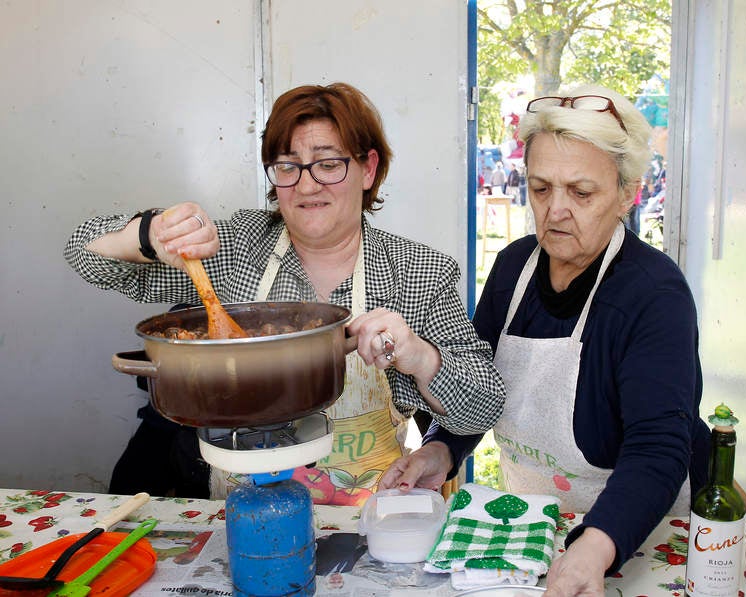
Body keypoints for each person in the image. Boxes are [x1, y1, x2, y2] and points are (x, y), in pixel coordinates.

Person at [64, 82, 505, 505]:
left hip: (367, 521)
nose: (307, 185)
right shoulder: (235, 248)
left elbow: (483, 407)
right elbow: (85, 255)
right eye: (288, 165)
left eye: (328, 164)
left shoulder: (418, 272)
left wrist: (418, 355)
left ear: (368, 169)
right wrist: (148, 234)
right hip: (236, 514)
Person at [380, 84, 710, 596]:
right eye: (540, 188)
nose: (555, 211)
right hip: (541, 523)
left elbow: (658, 449)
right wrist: (440, 451)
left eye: (581, 192)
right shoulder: (514, 267)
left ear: (628, 193)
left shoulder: (655, 294)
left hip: (636, 532)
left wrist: (594, 547)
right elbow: (480, 386)